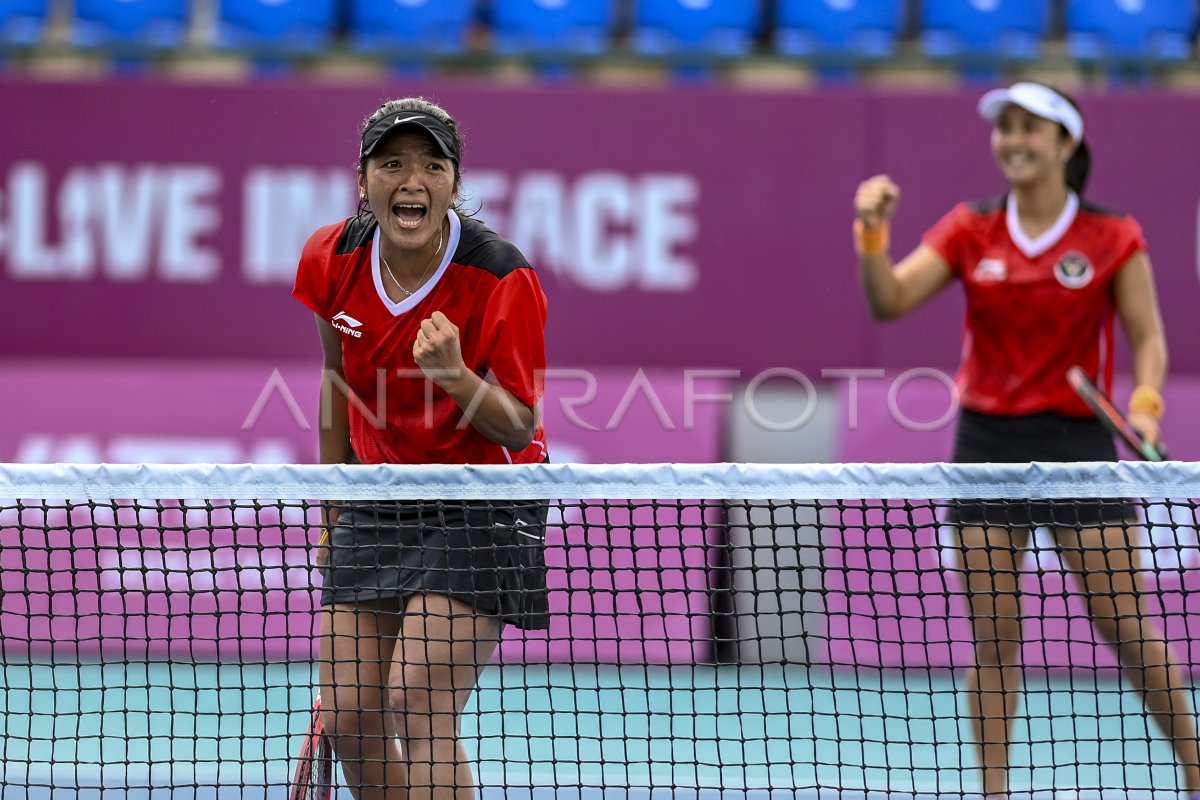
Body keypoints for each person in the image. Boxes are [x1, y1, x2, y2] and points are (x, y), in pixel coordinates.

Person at [852, 81, 1199, 799]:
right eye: (1005, 126)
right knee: (996, 640)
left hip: (1078, 446)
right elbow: (888, 300)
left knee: (1127, 629)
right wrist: (872, 236)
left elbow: (1149, 337)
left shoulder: (1113, 235)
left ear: (1066, 145)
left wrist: (1146, 404)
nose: (1013, 139)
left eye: (1030, 128)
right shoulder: (969, 228)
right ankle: (994, 792)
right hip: (986, 446)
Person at [292, 97, 550, 800]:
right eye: (393, 164)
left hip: (484, 497)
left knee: (416, 702)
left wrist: (456, 377)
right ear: (363, 179)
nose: (412, 180)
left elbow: (519, 426)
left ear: (453, 185)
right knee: (349, 717)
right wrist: (331, 507)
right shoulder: (331, 257)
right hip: (380, 492)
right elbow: (336, 381)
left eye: (432, 165)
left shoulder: (500, 276)